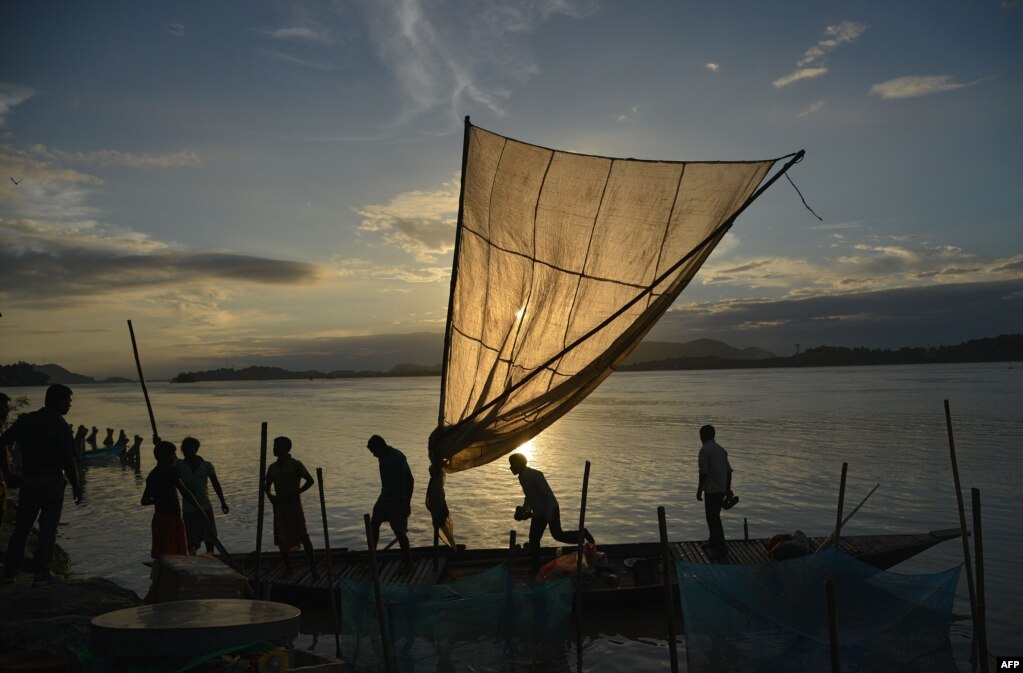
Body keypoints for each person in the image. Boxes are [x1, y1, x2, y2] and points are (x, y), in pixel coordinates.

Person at [1, 384, 83, 586]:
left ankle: (10, 571)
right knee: (48, 528)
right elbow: (68, 459)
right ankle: (42, 572)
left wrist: (8, 472)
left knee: (22, 527)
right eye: (68, 401)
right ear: (59, 401)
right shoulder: (60, 425)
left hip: (29, 480)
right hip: (51, 482)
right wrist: (76, 484)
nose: (70, 405)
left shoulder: (27, 420)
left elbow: (2, 441)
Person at [508, 453, 594, 575]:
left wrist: (548, 515)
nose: (510, 468)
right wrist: (524, 509)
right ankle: (536, 567)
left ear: (519, 464)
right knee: (533, 539)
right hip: (539, 512)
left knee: (558, 535)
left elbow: (547, 495)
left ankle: (582, 534)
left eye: (512, 465)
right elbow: (529, 496)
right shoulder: (522, 477)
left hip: (550, 508)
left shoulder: (535, 475)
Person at [263, 436, 317, 576]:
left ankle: (313, 568)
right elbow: (267, 487)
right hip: (280, 506)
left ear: (286, 448)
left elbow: (310, 481)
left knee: (303, 535)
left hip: (294, 504)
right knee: (281, 537)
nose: (274, 448)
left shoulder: (296, 465)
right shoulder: (272, 468)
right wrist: (271, 498)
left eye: (277, 446)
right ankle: (288, 568)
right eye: (274, 445)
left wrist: (297, 492)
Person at [367, 434, 414, 572]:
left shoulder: (397, 457)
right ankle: (373, 559)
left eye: (374, 452)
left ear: (381, 447)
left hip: (397, 500)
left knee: (399, 531)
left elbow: (410, 480)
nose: (374, 455)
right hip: (384, 498)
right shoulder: (382, 457)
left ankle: (408, 563)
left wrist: (407, 503)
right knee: (373, 525)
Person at [175, 436, 229, 555]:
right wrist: (157, 442)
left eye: (189, 449)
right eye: (184, 449)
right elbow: (166, 456)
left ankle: (210, 558)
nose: (186, 451)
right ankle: (193, 563)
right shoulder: (179, 465)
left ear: (195, 449)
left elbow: (216, 484)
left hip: (205, 507)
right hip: (189, 509)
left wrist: (223, 502)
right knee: (191, 540)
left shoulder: (206, 466)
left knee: (209, 538)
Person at [140, 440, 188, 559]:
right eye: (173, 454)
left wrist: (157, 500)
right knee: (173, 555)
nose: (176, 457)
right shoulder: (171, 471)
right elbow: (185, 492)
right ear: (165, 457)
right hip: (170, 519)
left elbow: (144, 500)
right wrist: (200, 511)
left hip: (160, 519)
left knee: (164, 554)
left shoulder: (153, 475)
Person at [696, 424, 733, 559]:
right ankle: (713, 542)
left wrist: (699, 490)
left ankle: (721, 549)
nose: (700, 438)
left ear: (704, 436)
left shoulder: (705, 450)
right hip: (721, 489)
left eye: (701, 435)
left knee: (713, 519)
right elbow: (729, 472)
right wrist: (728, 489)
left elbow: (703, 473)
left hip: (711, 491)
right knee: (714, 517)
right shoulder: (720, 450)